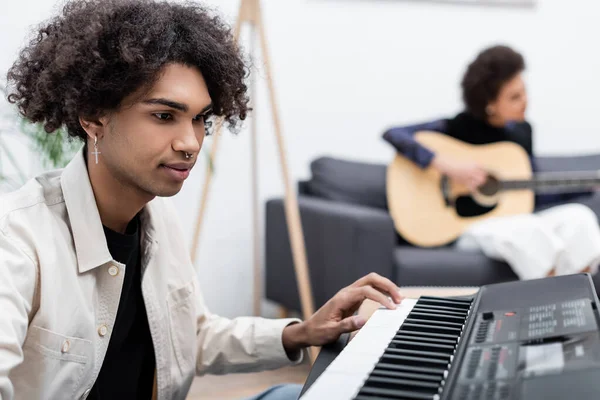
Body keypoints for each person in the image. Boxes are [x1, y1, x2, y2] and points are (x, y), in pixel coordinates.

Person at [0, 1, 404, 399]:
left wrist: (300, 332)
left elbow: (188, 336)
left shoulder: (157, 217)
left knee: (286, 394)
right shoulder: (17, 239)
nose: (191, 142)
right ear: (93, 117)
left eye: (200, 119)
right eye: (164, 116)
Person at [382, 44, 600, 281]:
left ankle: (578, 299)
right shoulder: (457, 127)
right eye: (515, 97)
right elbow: (394, 134)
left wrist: (587, 185)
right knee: (526, 230)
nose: (525, 101)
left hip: (512, 220)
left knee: (579, 218)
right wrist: (447, 165)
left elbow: (529, 189)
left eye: (524, 91)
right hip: (466, 227)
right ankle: (552, 297)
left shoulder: (521, 133)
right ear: (490, 104)